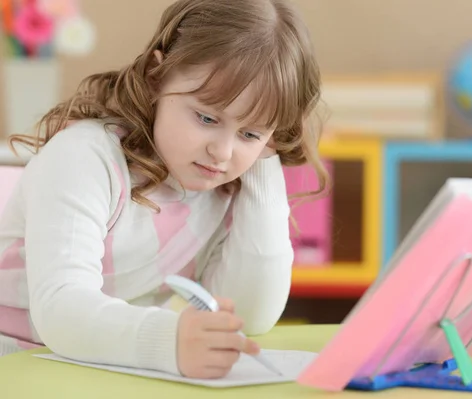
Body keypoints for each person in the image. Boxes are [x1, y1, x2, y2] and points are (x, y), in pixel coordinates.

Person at [0, 0, 328, 379]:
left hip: (93, 368)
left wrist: (265, 162)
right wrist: (168, 340)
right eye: (206, 117)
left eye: (250, 133)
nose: (222, 152)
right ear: (157, 76)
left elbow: (247, 315)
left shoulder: (222, 183)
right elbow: (60, 308)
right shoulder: (85, 157)